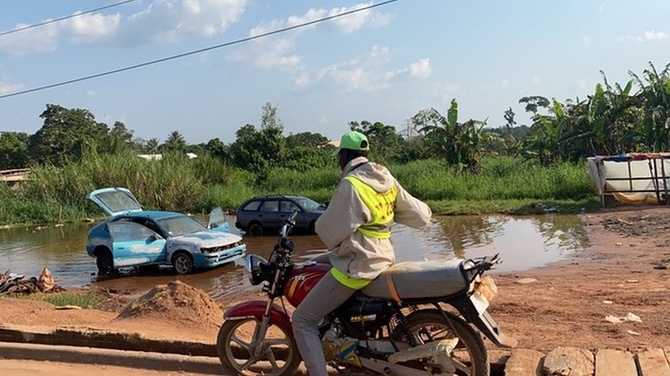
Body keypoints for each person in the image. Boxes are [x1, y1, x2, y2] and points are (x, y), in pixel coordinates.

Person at [292, 130, 433, 376]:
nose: (338, 161)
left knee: (303, 320)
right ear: (365, 154)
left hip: (359, 263)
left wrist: (318, 223)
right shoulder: (385, 178)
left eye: (339, 156)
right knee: (316, 262)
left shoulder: (351, 184)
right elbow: (420, 214)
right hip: (384, 256)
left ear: (345, 155)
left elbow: (327, 231)